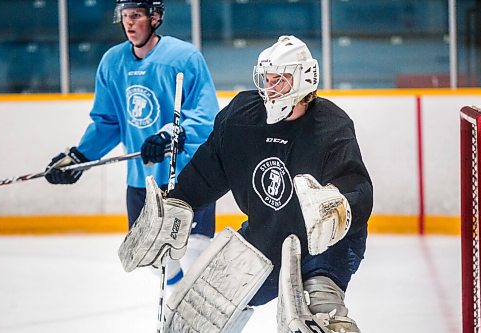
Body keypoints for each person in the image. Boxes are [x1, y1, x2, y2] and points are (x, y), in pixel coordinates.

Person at [122, 35, 372, 332]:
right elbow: (209, 167)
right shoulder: (242, 116)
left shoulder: (331, 125)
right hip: (265, 234)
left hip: (323, 245)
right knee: (197, 313)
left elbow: (357, 188)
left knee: (319, 314)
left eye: (280, 80)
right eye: (267, 79)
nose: (270, 88)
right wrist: (179, 203)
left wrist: (340, 207)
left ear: (305, 80)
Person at [44, 0, 219, 285]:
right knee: (148, 256)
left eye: (136, 15)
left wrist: (170, 134)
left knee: (195, 250)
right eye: (125, 16)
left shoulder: (184, 57)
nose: (128, 23)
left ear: (155, 17)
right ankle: (178, 301)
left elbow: (206, 114)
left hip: (187, 174)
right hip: (142, 179)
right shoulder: (112, 62)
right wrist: (79, 157)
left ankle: (197, 320)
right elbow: (108, 122)